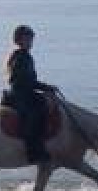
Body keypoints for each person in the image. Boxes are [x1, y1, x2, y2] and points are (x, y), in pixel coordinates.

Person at [5, 25, 59, 163]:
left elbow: (30, 81)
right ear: (20, 40)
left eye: (31, 39)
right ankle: (33, 151)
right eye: (28, 39)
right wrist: (46, 87)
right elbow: (24, 80)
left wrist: (46, 88)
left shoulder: (23, 55)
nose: (31, 42)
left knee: (47, 105)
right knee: (36, 112)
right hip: (20, 94)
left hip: (24, 91)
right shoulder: (21, 57)